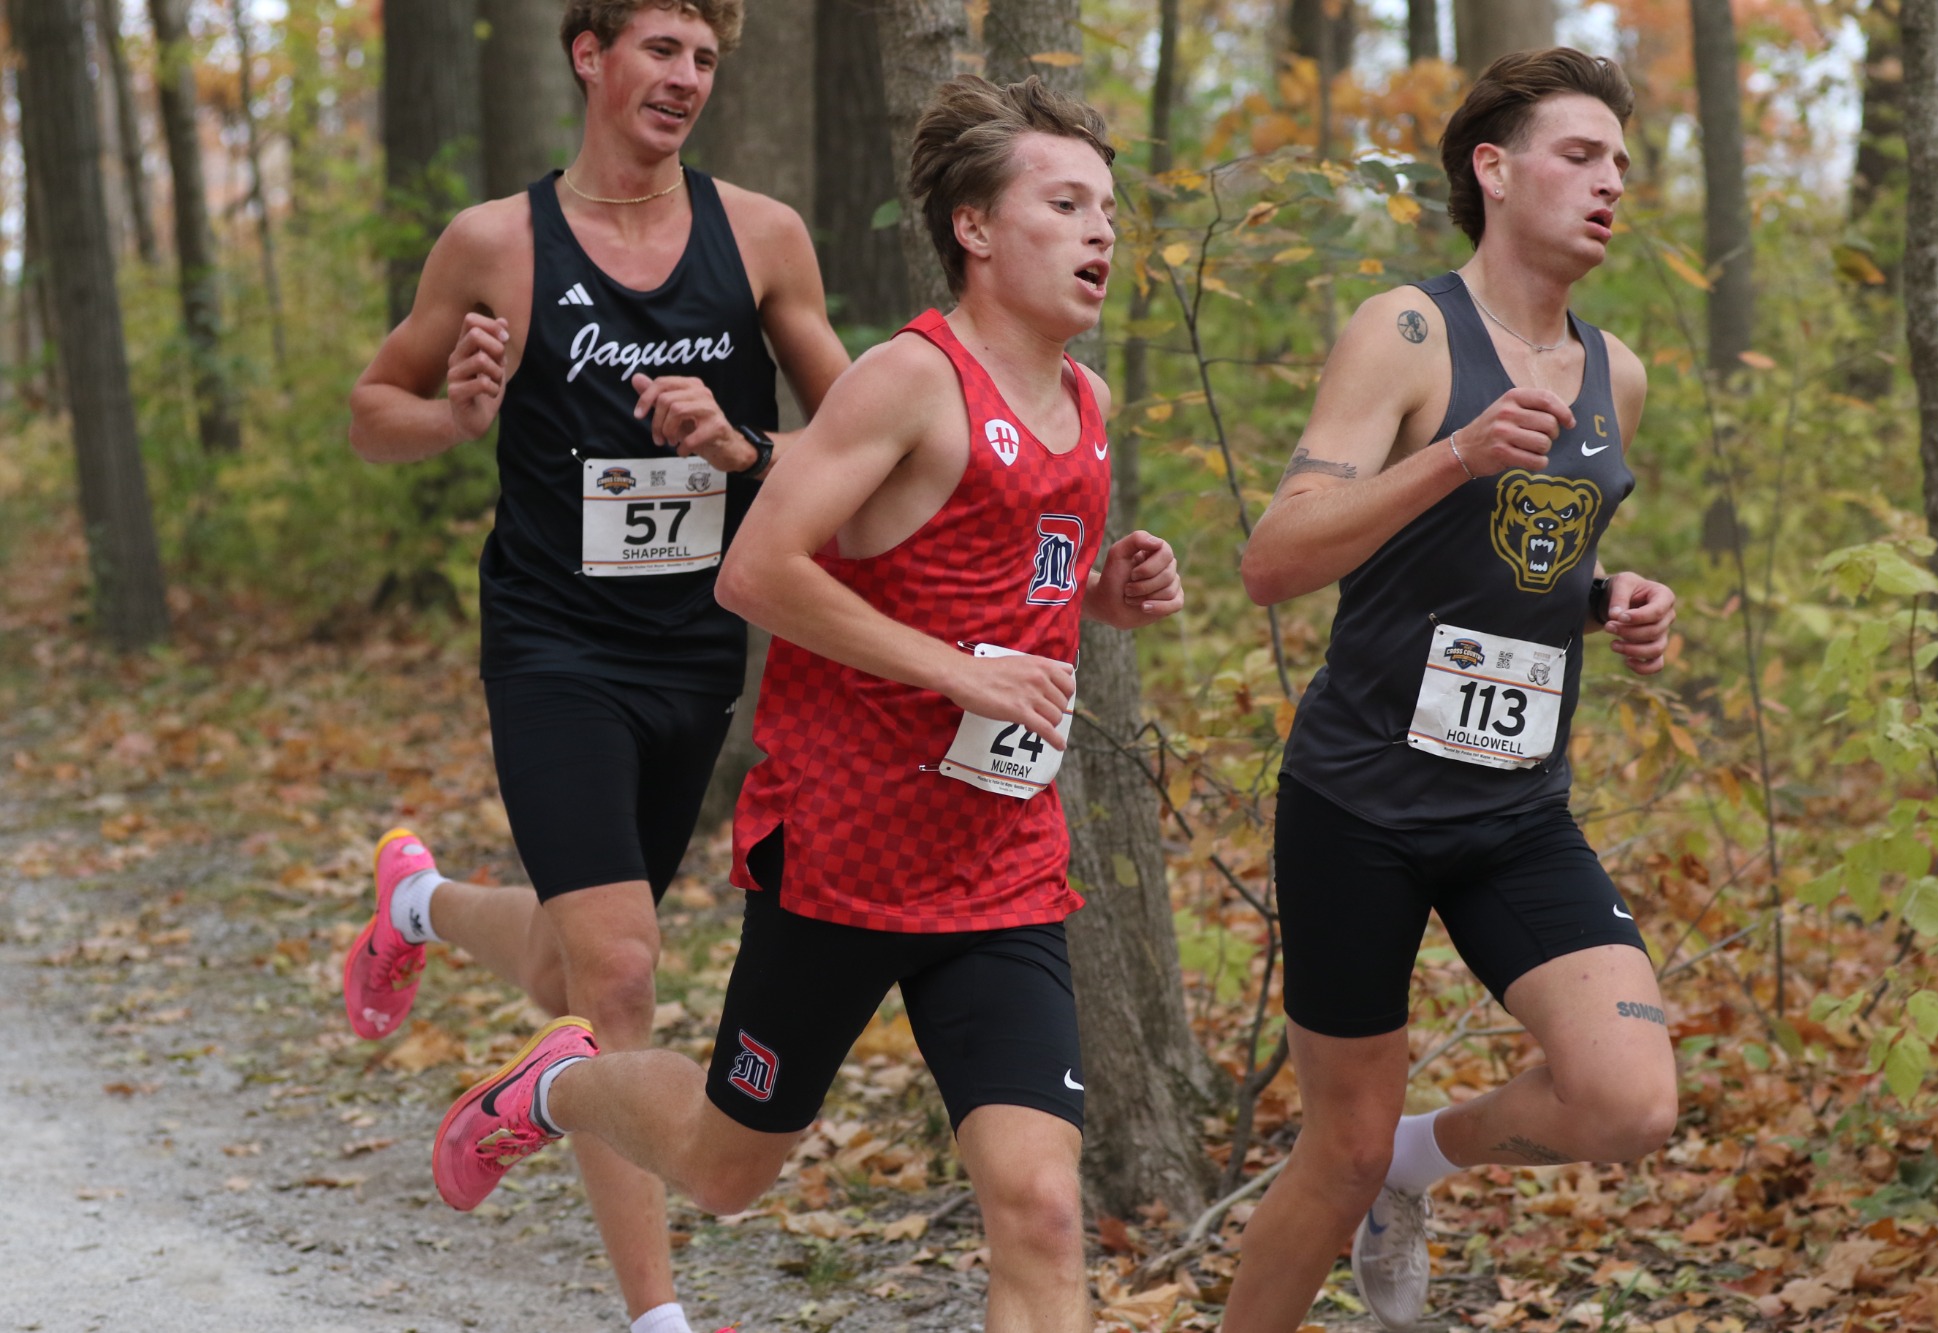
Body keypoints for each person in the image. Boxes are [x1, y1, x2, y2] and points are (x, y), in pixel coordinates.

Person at [426, 74, 1183, 1333]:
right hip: (845, 860)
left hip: (998, 868)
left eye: (1108, 206)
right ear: (976, 230)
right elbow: (756, 570)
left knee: (1041, 1205)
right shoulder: (905, 380)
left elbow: (995, 592)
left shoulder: (1086, 406)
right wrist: (957, 669)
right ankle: (558, 1086)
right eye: (1065, 203)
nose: (1102, 231)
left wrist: (1105, 596)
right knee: (727, 1170)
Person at [341, 3, 848, 1331]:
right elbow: (369, 413)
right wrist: (454, 414)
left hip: (695, 654)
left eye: (703, 59)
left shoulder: (762, 239)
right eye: (661, 49)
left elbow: (859, 457)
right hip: (553, 648)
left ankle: (419, 906)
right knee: (622, 977)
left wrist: (742, 440)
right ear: (589, 53)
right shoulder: (499, 245)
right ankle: (658, 1317)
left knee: (576, 969)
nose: (685, 79)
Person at [1225, 48, 1680, 1333]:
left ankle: (1426, 1159)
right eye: (1580, 155)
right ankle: (1375, 1176)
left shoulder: (1615, 374)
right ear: (1491, 167)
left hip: (1514, 811)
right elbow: (1273, 560)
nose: (1610, 185)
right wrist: (1452, 454)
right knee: (1337, 1149)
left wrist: (1611, 599)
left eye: (1622, 165)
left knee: (1629, 1099)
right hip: (1360, 803)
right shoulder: (1409, 330)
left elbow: (1528, 554)